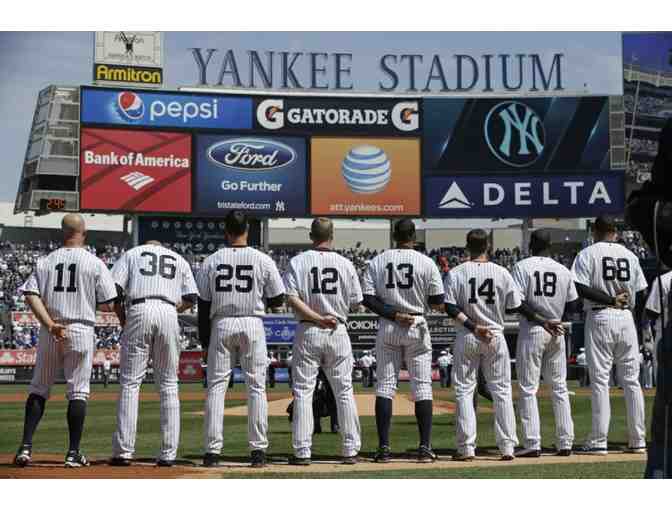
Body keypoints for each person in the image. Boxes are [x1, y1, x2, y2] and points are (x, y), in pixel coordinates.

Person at [444, 229, 560, 461]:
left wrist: (473, 326)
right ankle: (507, 446)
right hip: (496, 334)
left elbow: (449, 307)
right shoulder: (502, 272)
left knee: (465, 391)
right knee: (502, 392)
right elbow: (516, 305)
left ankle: (466, 448)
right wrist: (542, 320)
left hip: (468, 334)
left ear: (467, 246)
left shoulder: (456, 272)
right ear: (488, 246)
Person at [12, 214, 117, 468]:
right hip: (81, 329)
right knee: (78, 391)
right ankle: (72, 453)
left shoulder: (46, 260)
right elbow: (108, 303)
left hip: (52, 328)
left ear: (63, 232)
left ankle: (25, 448)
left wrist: (49, 324)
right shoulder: (94, 262)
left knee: (38, 388)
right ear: (85, 232)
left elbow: (30, 294)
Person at [197, 211, 285, 468]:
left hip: (221, 323)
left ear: (226, 230)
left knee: (216, 388)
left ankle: (212, 452)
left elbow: (203, 306)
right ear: (248, 229)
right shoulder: (262, 259)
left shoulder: (212, 260)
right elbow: (279, 298)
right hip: (252, 322)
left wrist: (204, 343)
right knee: (256, 387)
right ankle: (258, 451)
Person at [109, 241, 199, 467]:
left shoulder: (131, 253)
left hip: (139, 308)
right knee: (169, 384)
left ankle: (123, 452)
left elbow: (114, 292)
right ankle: (168, 453)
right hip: (169, 310)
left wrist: (124, 319)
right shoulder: (178, 257)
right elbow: (190, 298)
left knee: (130, 383)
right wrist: (169, 310)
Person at [362, 219, 445, 463]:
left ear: (394, 235)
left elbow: (367, 298)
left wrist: (395, 314)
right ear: (414, 236)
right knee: (422, 387)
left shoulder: (379, 260)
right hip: (416, 323)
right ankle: (424, 448)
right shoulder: (426, 261)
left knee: (385, 387)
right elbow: (437, 298)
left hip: (390, 323)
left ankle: (384, 448)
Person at [284, 218, 362, 465]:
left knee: (304, 392)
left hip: (309, 329)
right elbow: (356, 302)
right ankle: (350, 449)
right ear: (332, 236)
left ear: (310, 235)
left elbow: (291, 298)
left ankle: (303, 451)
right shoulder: (346, 263)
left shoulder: (298, 261)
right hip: (337, 329)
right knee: (344, 391)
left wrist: (317, 317)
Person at [571, 215, 647, 455]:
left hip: (601, 316)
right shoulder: (630, 255)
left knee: (601, 381)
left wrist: (609, 299)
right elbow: (642, 293)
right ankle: (638, 440)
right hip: (626, 318)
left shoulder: (589, 253)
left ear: (595, 230)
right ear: (616, 231)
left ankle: (598, 441)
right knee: (632, 381)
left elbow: (579, 287)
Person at [510, 229, 579, 457]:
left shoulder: (523, 265)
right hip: (557, 329)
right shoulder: (562, 269)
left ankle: (532, 443)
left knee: (529, 388)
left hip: (534, 328)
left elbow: (516, 303)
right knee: (559, 387)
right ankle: (565, 442)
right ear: (550, 246)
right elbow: (573, 304)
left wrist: (541, 319)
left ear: (531, 244)